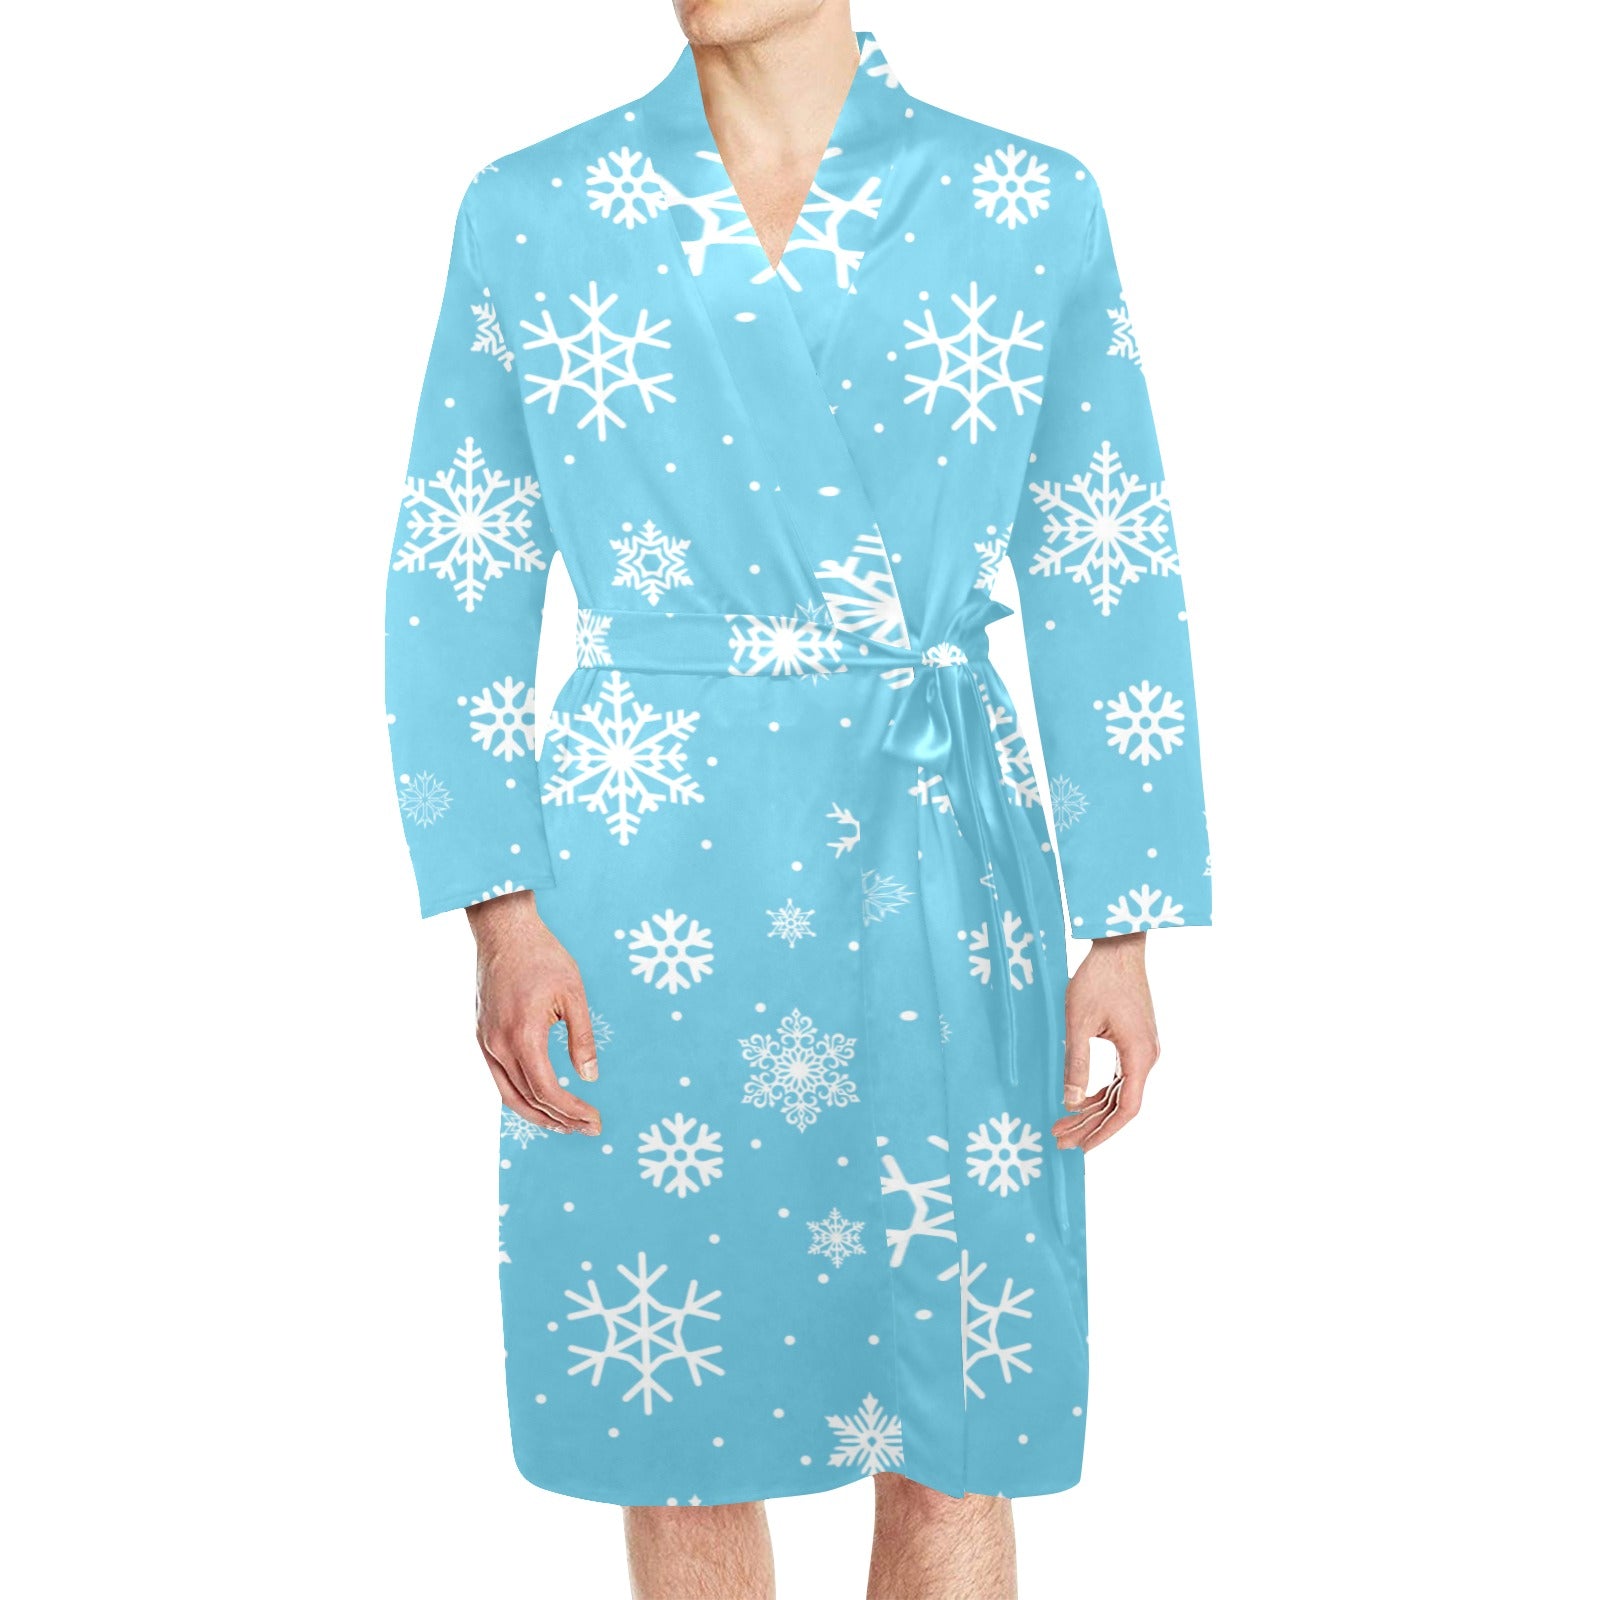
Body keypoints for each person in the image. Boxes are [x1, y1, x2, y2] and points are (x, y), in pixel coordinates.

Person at [384, 1, 1212, 1593]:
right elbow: (458, 562)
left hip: (941, 858)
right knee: (678, 1418)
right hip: (648, 862)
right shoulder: (535, 210)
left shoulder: (1026, 204)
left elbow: (1105, 554)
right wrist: (501, 909)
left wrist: (1123, 924)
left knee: (955, 1407)